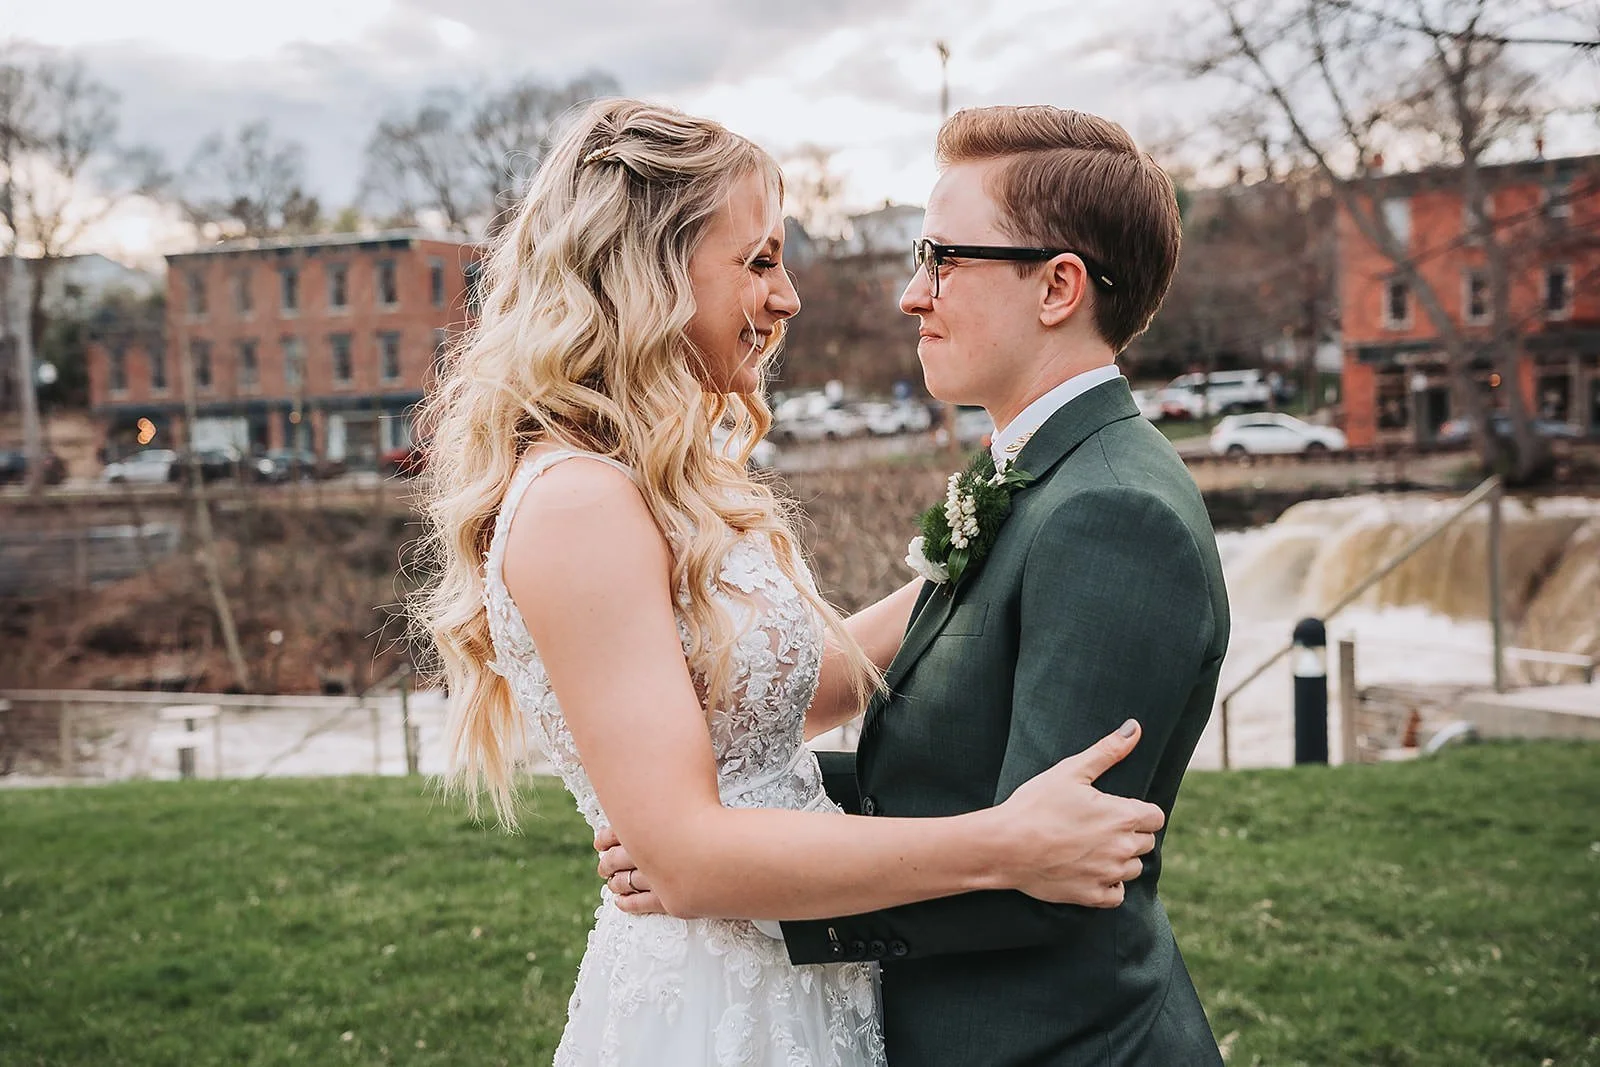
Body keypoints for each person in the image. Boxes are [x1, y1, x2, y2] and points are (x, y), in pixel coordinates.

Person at [412, 98, 1166, 1066]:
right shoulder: (577, 502)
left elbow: (786, 689)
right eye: (759, 261)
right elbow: (690, 860)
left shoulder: (659, 477)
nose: (788, 297)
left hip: (800, 979)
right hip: (712, 1007)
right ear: (649, 270)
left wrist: (992, 542)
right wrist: (1005, 843)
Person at [605, 105, 1231, 1064]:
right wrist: (722, 817)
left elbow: (1048, 870)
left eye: (942, 259)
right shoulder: (1038, 477)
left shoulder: (1113, 516)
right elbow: (952, 776)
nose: (911, 294)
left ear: (1058, 286)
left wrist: (733, 889)